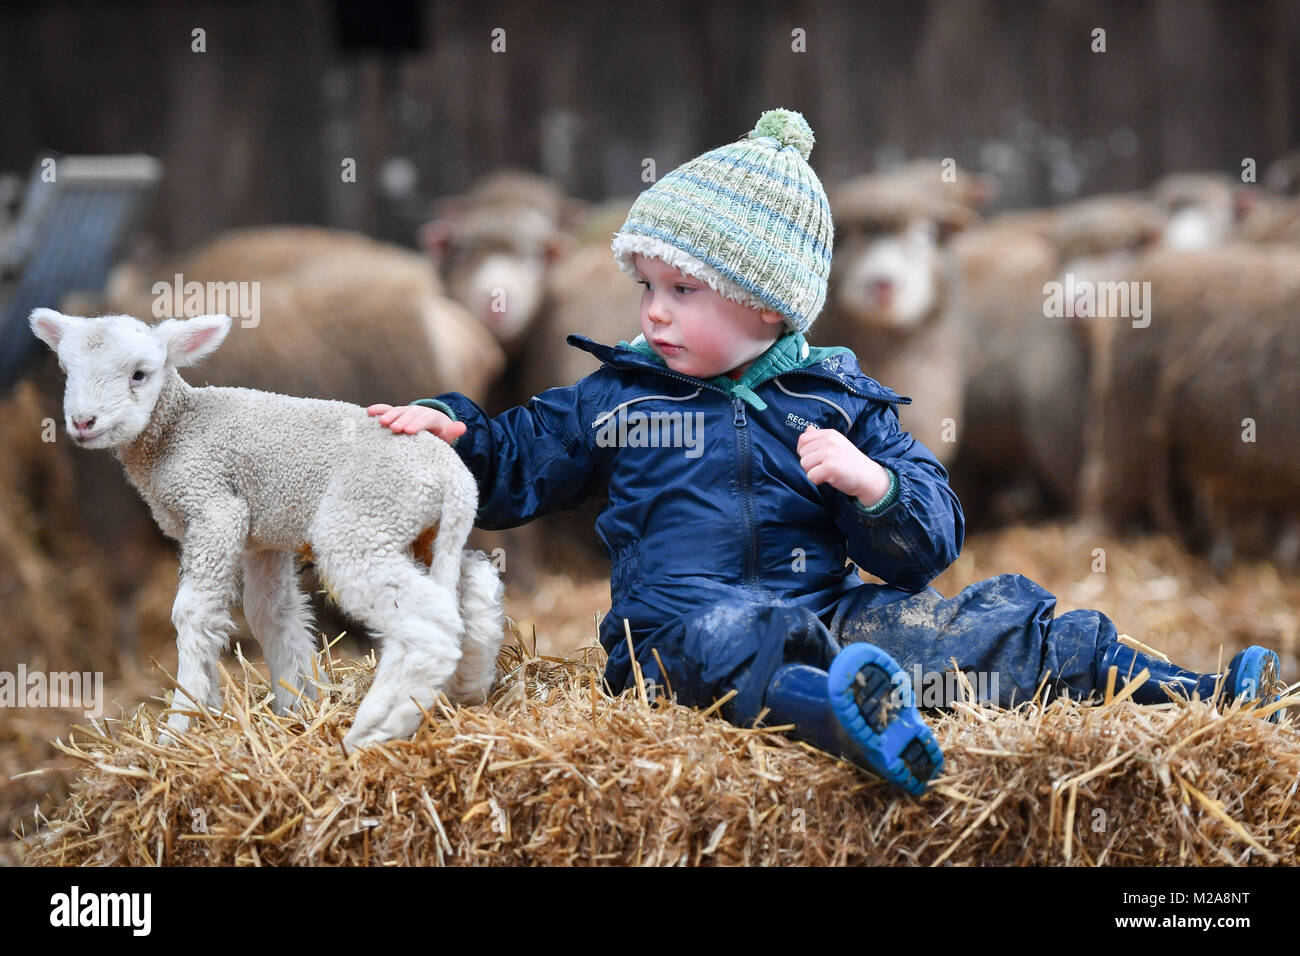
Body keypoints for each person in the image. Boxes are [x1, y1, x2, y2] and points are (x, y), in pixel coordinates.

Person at [367, 109, 1283, 795]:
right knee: (727, 642)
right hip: (678, 636)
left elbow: (928, 542)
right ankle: (854, 725)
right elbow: (525, 458)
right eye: (646, 284)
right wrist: (458, 432)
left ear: (768, 304)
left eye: (683, 290)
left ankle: (1198, 694)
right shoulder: (621, 396)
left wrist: (875, 487)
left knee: (1002, 621)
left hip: (831, 619)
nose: (651, 312)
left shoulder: (841, 400)